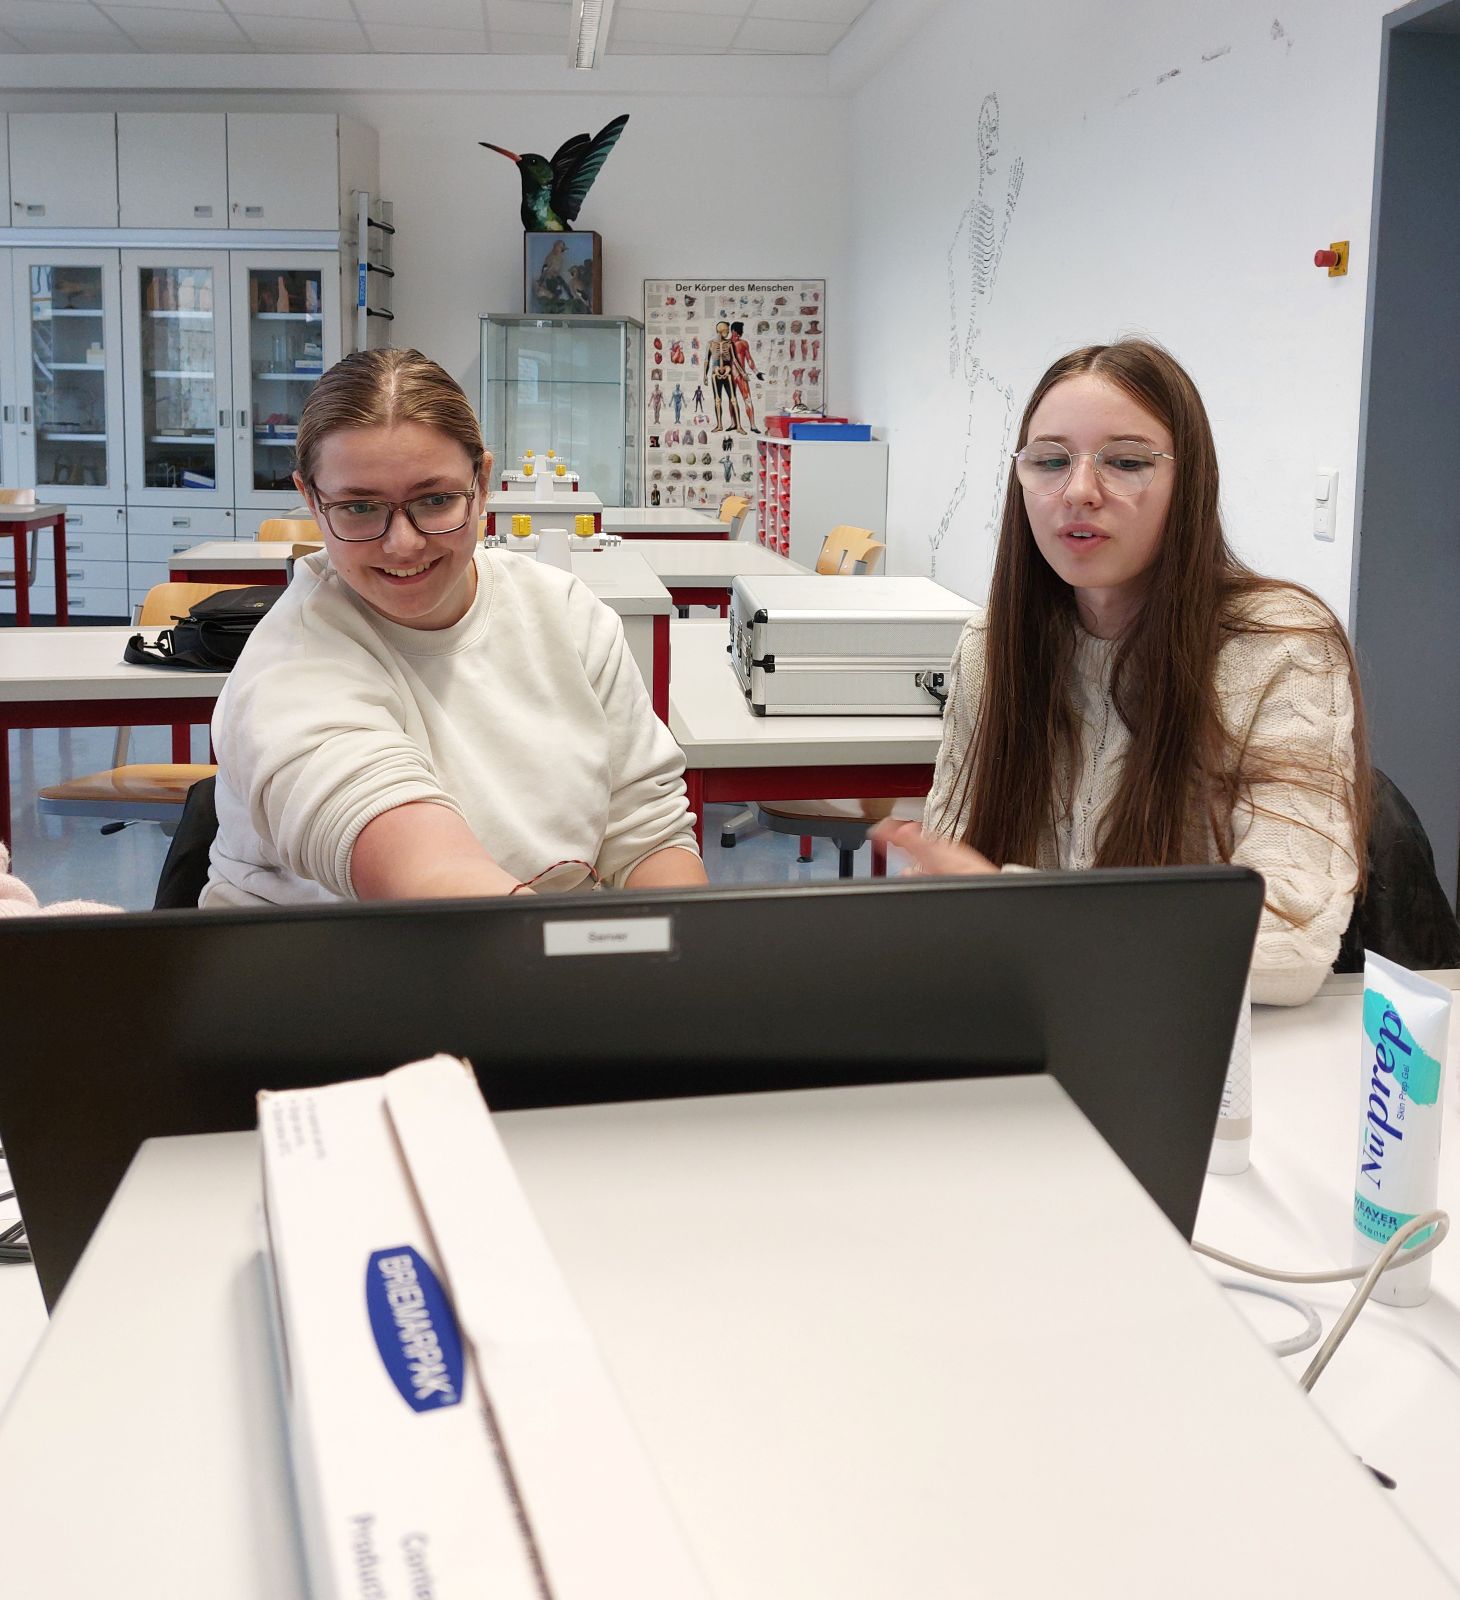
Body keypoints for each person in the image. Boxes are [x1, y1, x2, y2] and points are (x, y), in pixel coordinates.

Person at [875, 339, 1368, 1007]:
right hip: (1035, 1026)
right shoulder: (992, 648)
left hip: (1202, 1047)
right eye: (1050, 461)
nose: (1079, 491)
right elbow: (951, 893)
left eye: (1127, 462)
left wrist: (1015, 908)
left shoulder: (1280, 646)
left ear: (1190, 484)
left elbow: (1289, 950)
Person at [203, 348, 706, 907]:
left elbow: (647, 832)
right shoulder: (290, 665)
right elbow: (423, 874)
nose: (402, 544)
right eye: (359, 508)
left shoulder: (565, 614)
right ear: (311, 500)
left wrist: (678, 943)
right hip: (341, 956)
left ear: (482, 483)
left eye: (436, 500)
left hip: (529, 941)